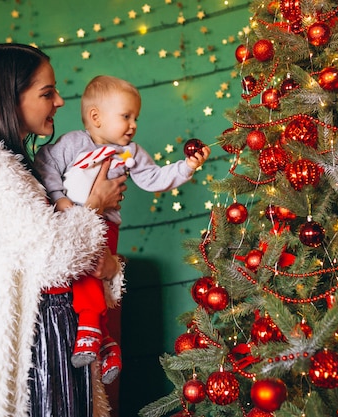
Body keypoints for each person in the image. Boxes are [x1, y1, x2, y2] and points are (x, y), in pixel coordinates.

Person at [0, 43, 127, 417]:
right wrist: (94, 206)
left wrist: (111, 267)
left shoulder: (26, 166)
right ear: (11, 97)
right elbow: (51, 256)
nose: (59, 101)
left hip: (59, 331)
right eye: (46, 92)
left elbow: (71, 255)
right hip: (33, 344)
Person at [34, 75, 210, 381]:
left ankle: (90, 326)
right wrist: (59, 198)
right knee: (78, 273)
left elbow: (153, 178)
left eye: (135, 118)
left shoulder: (128, 152)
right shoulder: (73, 143)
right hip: (74, 220)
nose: (133, 125)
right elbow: (45, 165)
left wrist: (187, 168)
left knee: (95, 269)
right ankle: (107, 344)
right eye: (125, 116)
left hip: (105, 225)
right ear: (96, 117)